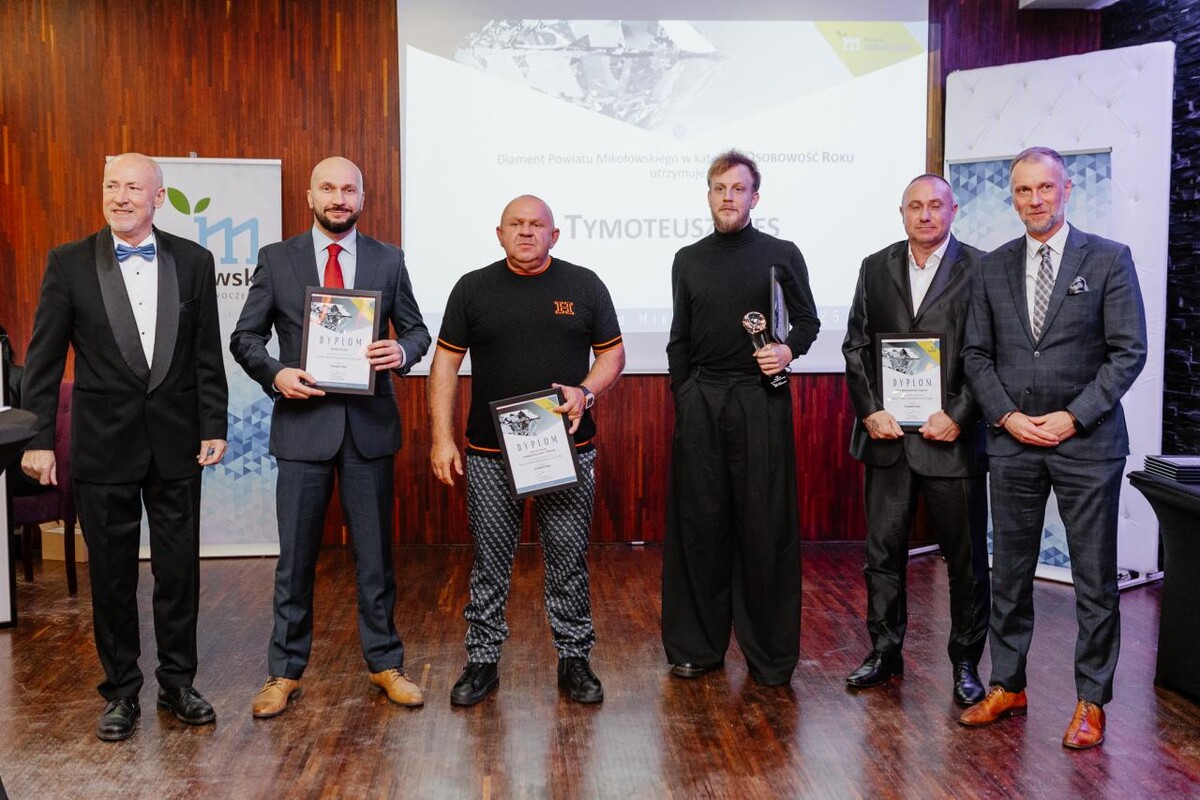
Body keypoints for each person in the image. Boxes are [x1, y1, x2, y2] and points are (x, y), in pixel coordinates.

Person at [20, 153, 229, 741]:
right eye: (111, 185)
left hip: (178, 444)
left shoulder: (193, 261)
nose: (120, 196)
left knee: (178, 572)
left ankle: (178, 683)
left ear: (158, 198)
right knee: (111, 577)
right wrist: (38, 440)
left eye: (133, 187)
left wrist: (213, 424)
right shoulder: (67, 263)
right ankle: (120, 692)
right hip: (103, 447)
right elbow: (42, 361)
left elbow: (206, 353)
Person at [958, 146, 1147, 749]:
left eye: (1045, 188)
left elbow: (1128, 352)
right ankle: (1007, 684)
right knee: (1009, 574)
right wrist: (1008, 417)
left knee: (1094, 578)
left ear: (1067, 190)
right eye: (1023, 190)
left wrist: (1073, 417)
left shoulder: (1109, 258)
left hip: (1087, 444)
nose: (1035, 200)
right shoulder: (991, 267)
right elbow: (975, 355)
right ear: (1012, 198)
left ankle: (1091, 700)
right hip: (1013, 444)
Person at [230, 156, 431, 717]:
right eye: (328, 188)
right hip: (303, 427)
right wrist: (275, 374)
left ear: (362, 198)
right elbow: (245, 337)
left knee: (376, 559)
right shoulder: (278, 259)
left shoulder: (389, 259)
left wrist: (403, 351)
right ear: (310, 197)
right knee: (294, 561)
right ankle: (283, 672)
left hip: (369, 429)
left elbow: (417, 330)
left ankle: (385, 664)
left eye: (348, 189)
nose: (339, 198)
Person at [428, 195, 624, 706]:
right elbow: (444, 363)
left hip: (567, 451)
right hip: (490, 456)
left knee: (568, 561)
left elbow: (613, 354)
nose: (526, 231)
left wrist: (586, 392)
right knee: (489, 563)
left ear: (554, 235)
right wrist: (441, 437)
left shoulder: (584, 285)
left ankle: (574, 660)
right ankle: (482, 661)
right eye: (515, 224)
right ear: (499, 234)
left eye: (537, 225)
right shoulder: (472, 288)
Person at [662, 150, 820, 686]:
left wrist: (788, 350)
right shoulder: (687, 259)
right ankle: (697, 648)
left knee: (764, 526)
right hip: (702, 399)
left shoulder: (781, 254)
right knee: (699, 525)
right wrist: (685, 395)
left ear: (755, 196)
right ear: (709, 196)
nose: (728, 197)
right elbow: (680, 338)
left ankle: (769, 656)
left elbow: (808, 321)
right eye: (719, 188)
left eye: (738, 188)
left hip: (760, 399)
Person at [841, 174, 990, 706]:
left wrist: (960, 415)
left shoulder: (982, 268)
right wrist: (870, 411)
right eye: (914, 206)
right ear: (901, 212)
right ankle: (884, 652)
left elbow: (989, 353)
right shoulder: (874, 266)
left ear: (954, 210)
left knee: (965, 561)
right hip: (887, 439)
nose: (925, 215)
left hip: (951, 439)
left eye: (935, 206)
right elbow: (855, 345)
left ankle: (966, 662)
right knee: (882, 555)